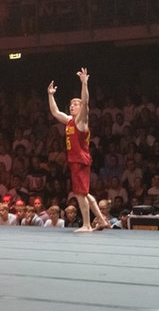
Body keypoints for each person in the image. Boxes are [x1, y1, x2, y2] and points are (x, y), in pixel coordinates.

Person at [47, 69, 103, 232]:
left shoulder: (82, 121)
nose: (72, 106)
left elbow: (85, 102)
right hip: (75, 160)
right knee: (85, 193)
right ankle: (101, 220)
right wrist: (51, 95)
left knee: (79, 194)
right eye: (71, 104)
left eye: (75, 104)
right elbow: (55, 112)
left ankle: (86, 224)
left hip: (80, 160)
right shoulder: (70, 121)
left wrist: (84, 83)